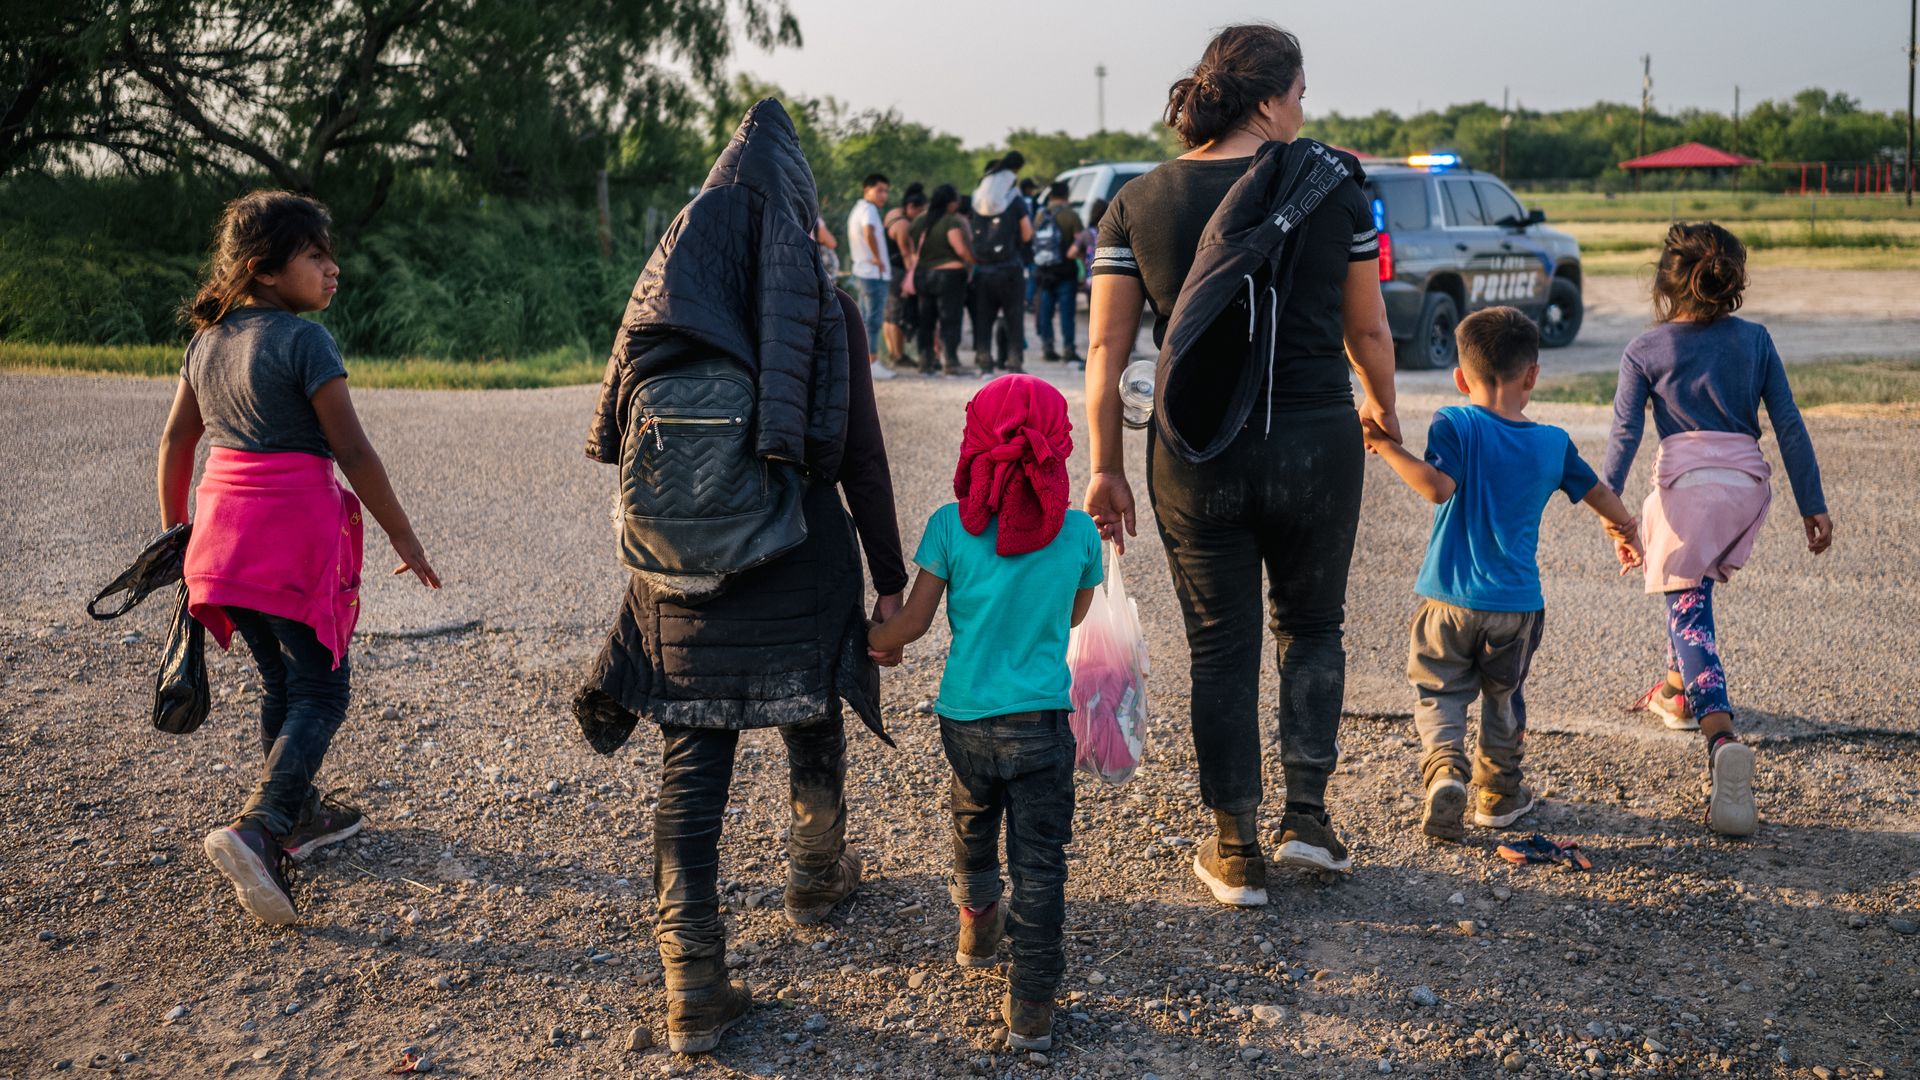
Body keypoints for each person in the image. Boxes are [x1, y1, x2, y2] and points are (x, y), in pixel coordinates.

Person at [578, 100, 907, 1054]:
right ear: (800, 211)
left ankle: (693, 974)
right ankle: (815, 871)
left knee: (695, 755)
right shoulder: (827, 312)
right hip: (798, 558)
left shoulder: (658, 321)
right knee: (812, 707)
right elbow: (862, 462)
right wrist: (889, 582)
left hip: (675, 575)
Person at [1082, 23, 1400, 906]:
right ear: (1268, 99)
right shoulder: (1334, 188)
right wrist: (1384, 404)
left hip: (1194, 455)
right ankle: (1309, 820)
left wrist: (1104, 467)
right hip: (1316, 444)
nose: (1306, 109)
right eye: (1300, 92)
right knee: (1314, 627)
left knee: (1221, 650)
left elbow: (1105, 359)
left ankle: (1236, 849)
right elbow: (1368, 329)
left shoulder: (1137, 201)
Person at [155, 190, 440, 926]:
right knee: (323, 691)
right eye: (316, 255)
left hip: (219, 543)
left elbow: (176, 443)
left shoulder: (207, 340)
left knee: (282, 678)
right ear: (266, 270)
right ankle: (261, 829)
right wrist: (405, 536)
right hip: (289, 543)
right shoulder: (305, 343)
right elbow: (351, 448)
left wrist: (176, 534)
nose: (332, 268)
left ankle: (299, 810)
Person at [867, 374, 1103, 1053]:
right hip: (1042, 725)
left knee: (972, 820)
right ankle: (1031, 1004)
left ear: (975, 443)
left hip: (966, 719)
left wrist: (873, 642)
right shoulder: (1080, 534)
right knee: (1041, 861)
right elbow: (1073, 614)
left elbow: (911, 622)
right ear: (1058, 446)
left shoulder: (950, 526)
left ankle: (976, 928)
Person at [1361, 307, 1642, 840]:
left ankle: (1446, 771)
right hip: (1515, 604)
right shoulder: (1553, 443)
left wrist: (1384, 444)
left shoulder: (1455, 421)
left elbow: (1438, 486)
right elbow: (1598, 492)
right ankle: (1498, 794)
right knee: (1503, 696)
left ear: (1461, 378)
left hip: (1445, 598)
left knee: (1440, 694)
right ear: (1532, 375)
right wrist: (1625, 528)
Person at [1600, 222, 1832, 837]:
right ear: (1731, 283)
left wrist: (1611, 508)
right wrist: (1814, 503)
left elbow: (1624, 435)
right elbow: (1788, 423)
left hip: (1687, 491)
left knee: (1688, 606)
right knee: (1690, 584)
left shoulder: (1645, 350)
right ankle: (1677, 690)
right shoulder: (1755, 340)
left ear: (1664, 282)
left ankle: (1721, 737)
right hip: (1746, 488)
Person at [969, 151, 1034, 374]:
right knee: (1013, 316)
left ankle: (984, 362)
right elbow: (1026, 234)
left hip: (983, 269)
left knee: (984, 318)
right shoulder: (1014, 199)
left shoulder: (976, 200)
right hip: (1010, 269)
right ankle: (1014, 362)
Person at [911, 183, 972, 376]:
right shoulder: (950, 222)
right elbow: (960, 249)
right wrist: (973, 260)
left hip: (923, 275)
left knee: (926, 320)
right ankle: (951, 362)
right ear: (950, 202)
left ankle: (925, 361)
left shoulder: (919, 221)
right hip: (949, 276)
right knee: (950, 319)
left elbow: (910, 244)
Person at [1031, 181, 1086, 365]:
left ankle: (1048, 348)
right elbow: (1078, 243)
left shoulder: (1040, 215)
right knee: (1066, 313)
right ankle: (1068, 350)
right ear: (1066, 195)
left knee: (1045, 310)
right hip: (1065, 271)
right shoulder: (1071, 215)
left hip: (1044, 271)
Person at [847, 172, 895, 380]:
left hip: (862, 271)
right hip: (873, 273)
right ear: (867, 189)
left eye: (886, 191)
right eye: (880, 190)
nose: (883, 195)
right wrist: (878, 258)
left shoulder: (857, 209)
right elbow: (869, 232)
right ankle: (872, 363)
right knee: (873, 320)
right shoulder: (869, 210)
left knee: (865, 319)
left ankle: (864, 363)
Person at [884, 184, 927, 367]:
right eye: (920, 211)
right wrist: (912, 278)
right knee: (896, 314)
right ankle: (898, 355)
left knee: (888, 315)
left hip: (888, 270)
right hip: (897, 271)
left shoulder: (892, 214)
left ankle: (894, 353)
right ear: (912, 207)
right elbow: (906, 254)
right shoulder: (903, 224)